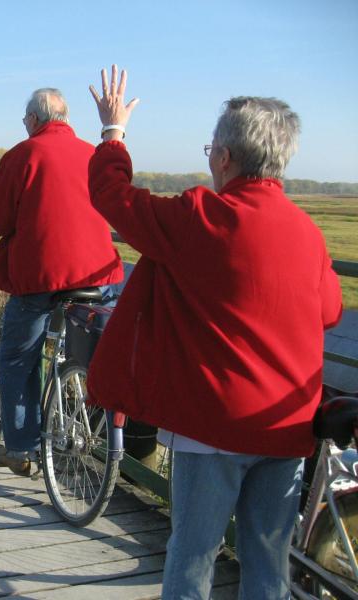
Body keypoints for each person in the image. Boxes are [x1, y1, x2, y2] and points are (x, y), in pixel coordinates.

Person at [86, 65, 343, 598]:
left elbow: (113, 195)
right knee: (267, 564)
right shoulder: (308, 232)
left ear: (224, 158)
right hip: (286, 426)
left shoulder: (199, 216)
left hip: (212, 427)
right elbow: (330, 311)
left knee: (193, 556)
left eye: (210, 151)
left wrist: (114, 131)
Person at [0, 88, 124, 476]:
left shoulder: (23, 154)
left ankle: (22, 448)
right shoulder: (93, 153)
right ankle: (82, 403)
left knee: (17, 359)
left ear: (33, 119)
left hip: (40, 277)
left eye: (25, 120)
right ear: (66, 118)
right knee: (86, 346)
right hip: (96, 273)